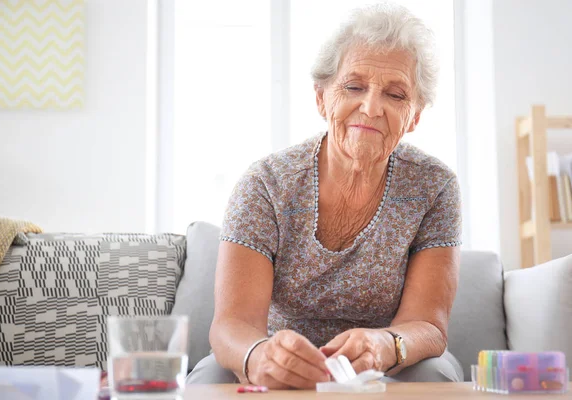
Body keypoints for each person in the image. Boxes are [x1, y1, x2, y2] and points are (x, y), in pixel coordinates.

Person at [187, 2, 463, 389]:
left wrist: (386, 343)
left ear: (414, 115)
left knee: (435, 373)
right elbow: (232, 325)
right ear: (321, 97)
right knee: (210, 377)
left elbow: (429, 326)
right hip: (277, 355)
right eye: (354, 86)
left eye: (396, 95)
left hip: (385, 361)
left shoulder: (434, 186)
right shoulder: (266, 184)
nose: (371, 107)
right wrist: (259, 356)